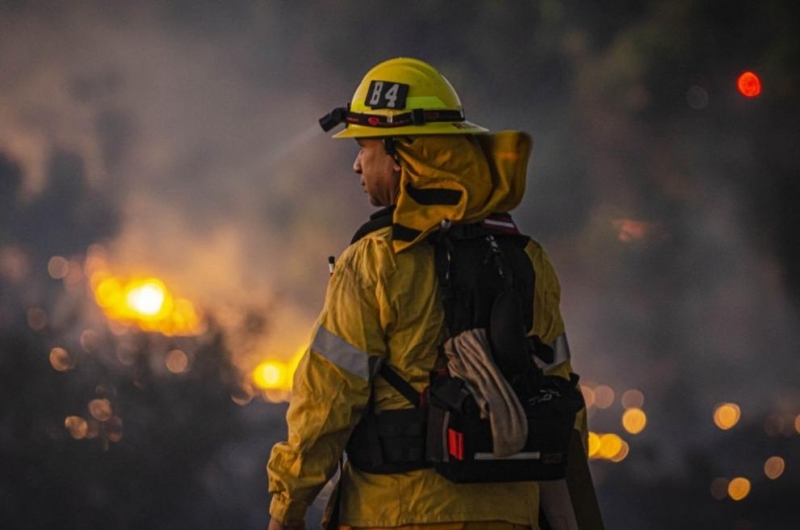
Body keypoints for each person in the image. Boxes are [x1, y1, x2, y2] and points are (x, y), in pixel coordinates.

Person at [267, 57, 600, 530]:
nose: (356, 164)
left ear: (407, 155)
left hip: (394, 515)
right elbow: (565, 408)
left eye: (366, 146)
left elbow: (327, 403)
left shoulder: (375, 262)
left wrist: (287, 507)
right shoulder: (527, 259)